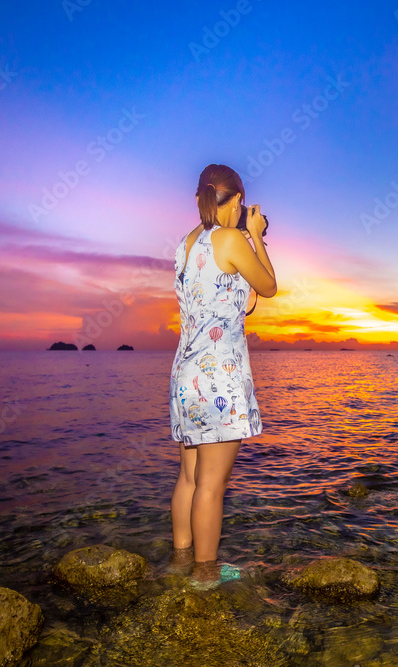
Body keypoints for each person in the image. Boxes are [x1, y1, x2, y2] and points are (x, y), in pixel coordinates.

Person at [168, 164, 276, 588]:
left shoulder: (185, 244)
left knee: (190, 477)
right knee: (212, 485)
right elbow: (267, 286)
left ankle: (180, 560)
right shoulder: (231, 239)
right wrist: (259, 237)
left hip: (185, 373)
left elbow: (222, 300)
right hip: (220, 377)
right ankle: (205, 573)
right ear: (234, 200)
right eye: (240, 204)